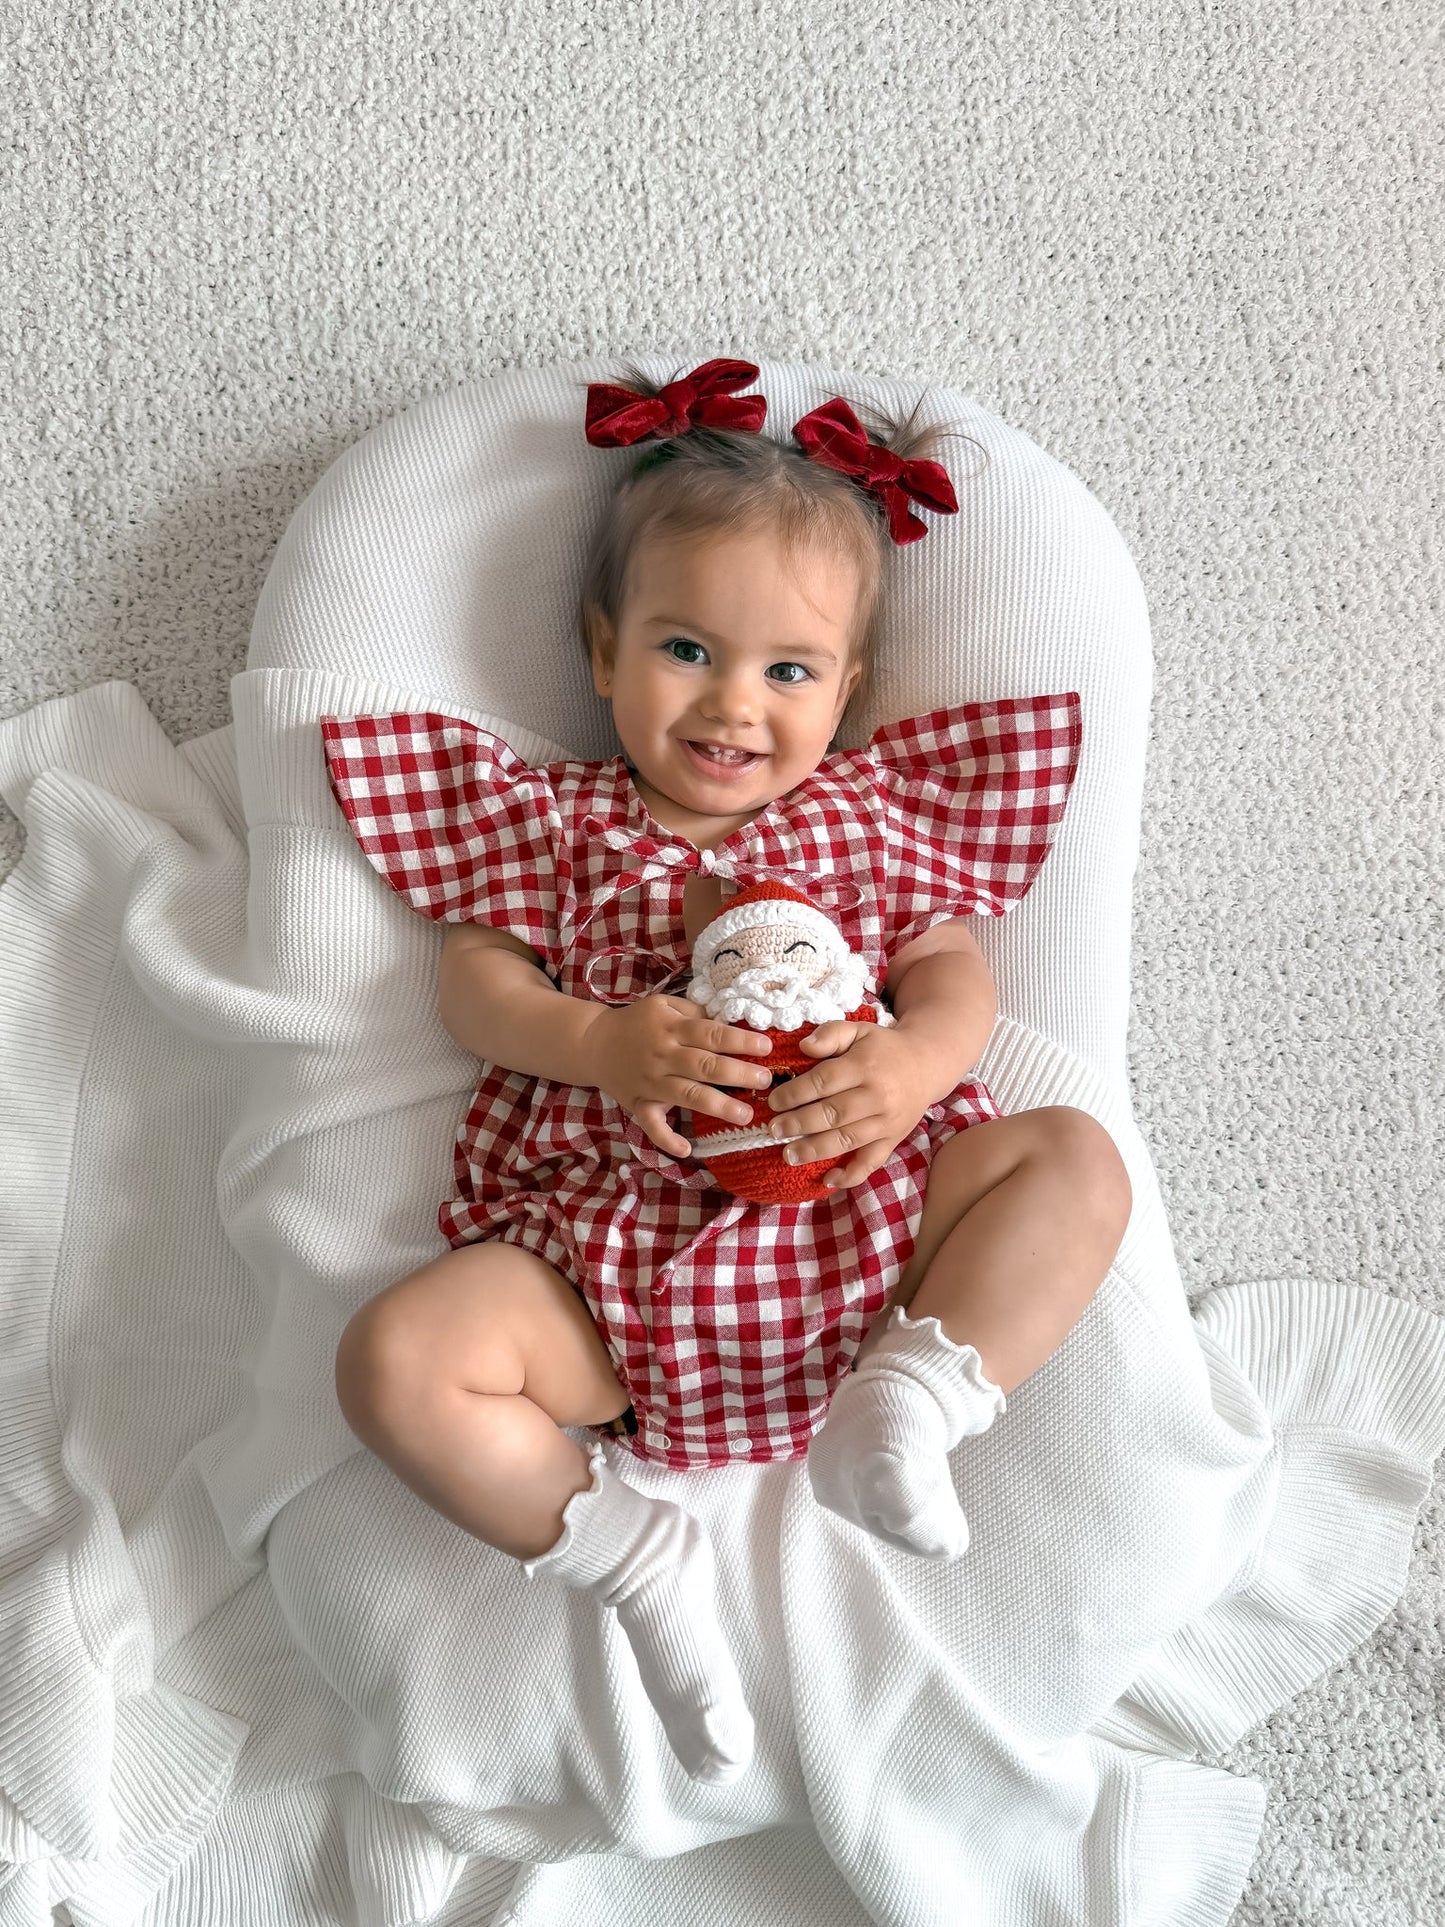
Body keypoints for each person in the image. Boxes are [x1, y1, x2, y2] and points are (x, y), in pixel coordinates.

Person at [321, 357, 1132, 1786]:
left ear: (849, 691)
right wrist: (597, 1037)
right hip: (612, 1278)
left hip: (872, 1239)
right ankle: (633, 1563)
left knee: (1074, 1165)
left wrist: (908, 1064)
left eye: (788, 671)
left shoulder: (871, 819)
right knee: (395, 1362)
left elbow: (950, 973)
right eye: (684, 650)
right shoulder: (561, 823)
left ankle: (919, 1401)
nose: (731, 705)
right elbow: (474, 984)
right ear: (599, 649)